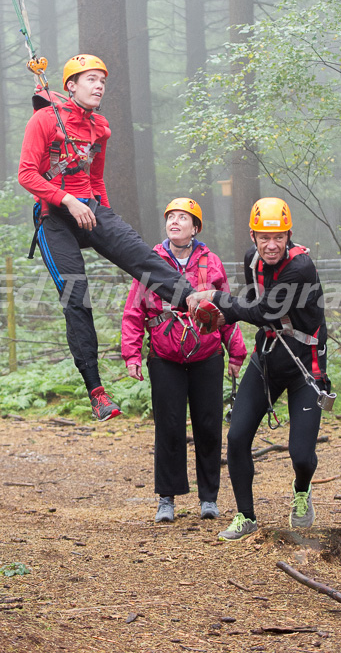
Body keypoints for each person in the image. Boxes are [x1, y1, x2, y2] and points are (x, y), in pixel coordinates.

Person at [18, 55, 208, 422]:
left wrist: (106, 219)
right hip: (53, 218)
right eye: (90, 79)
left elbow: (96, 179)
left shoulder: (99, 127)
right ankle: (97, 392)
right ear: (70, 85)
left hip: (88, 208)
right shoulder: (43, 120)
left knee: (139, 253)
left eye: (102, 80)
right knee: (77, 296)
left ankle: (195, 301)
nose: (99, 86)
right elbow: (27, 175)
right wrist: (68, 200)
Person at [187, 197, 332, 539]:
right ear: (253, 236)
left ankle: (301, 491)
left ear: (289, 235)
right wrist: (226, 315)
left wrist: (217, 299)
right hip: (268, 358)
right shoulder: (251, 260)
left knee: (301, 453)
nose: (271, 245)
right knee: (237, 438)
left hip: (304, 366)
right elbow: (254, 306)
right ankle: (246, 515)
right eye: (264, 238)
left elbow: (263, 311)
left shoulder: (301, 267)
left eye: (279, 237)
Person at [121, 198, 247, 522]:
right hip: (164, 356)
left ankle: (209, 498)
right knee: (169, 426)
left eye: (183, 218)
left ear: (195, 228)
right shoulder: (149, 262)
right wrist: (131, 353)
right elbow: (134, 310)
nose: (175, 222)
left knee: (208, 425)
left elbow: (227, 310)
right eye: (171, 217)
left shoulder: (211, 263)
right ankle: (167, 498)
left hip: (207, 354)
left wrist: (236, 352)